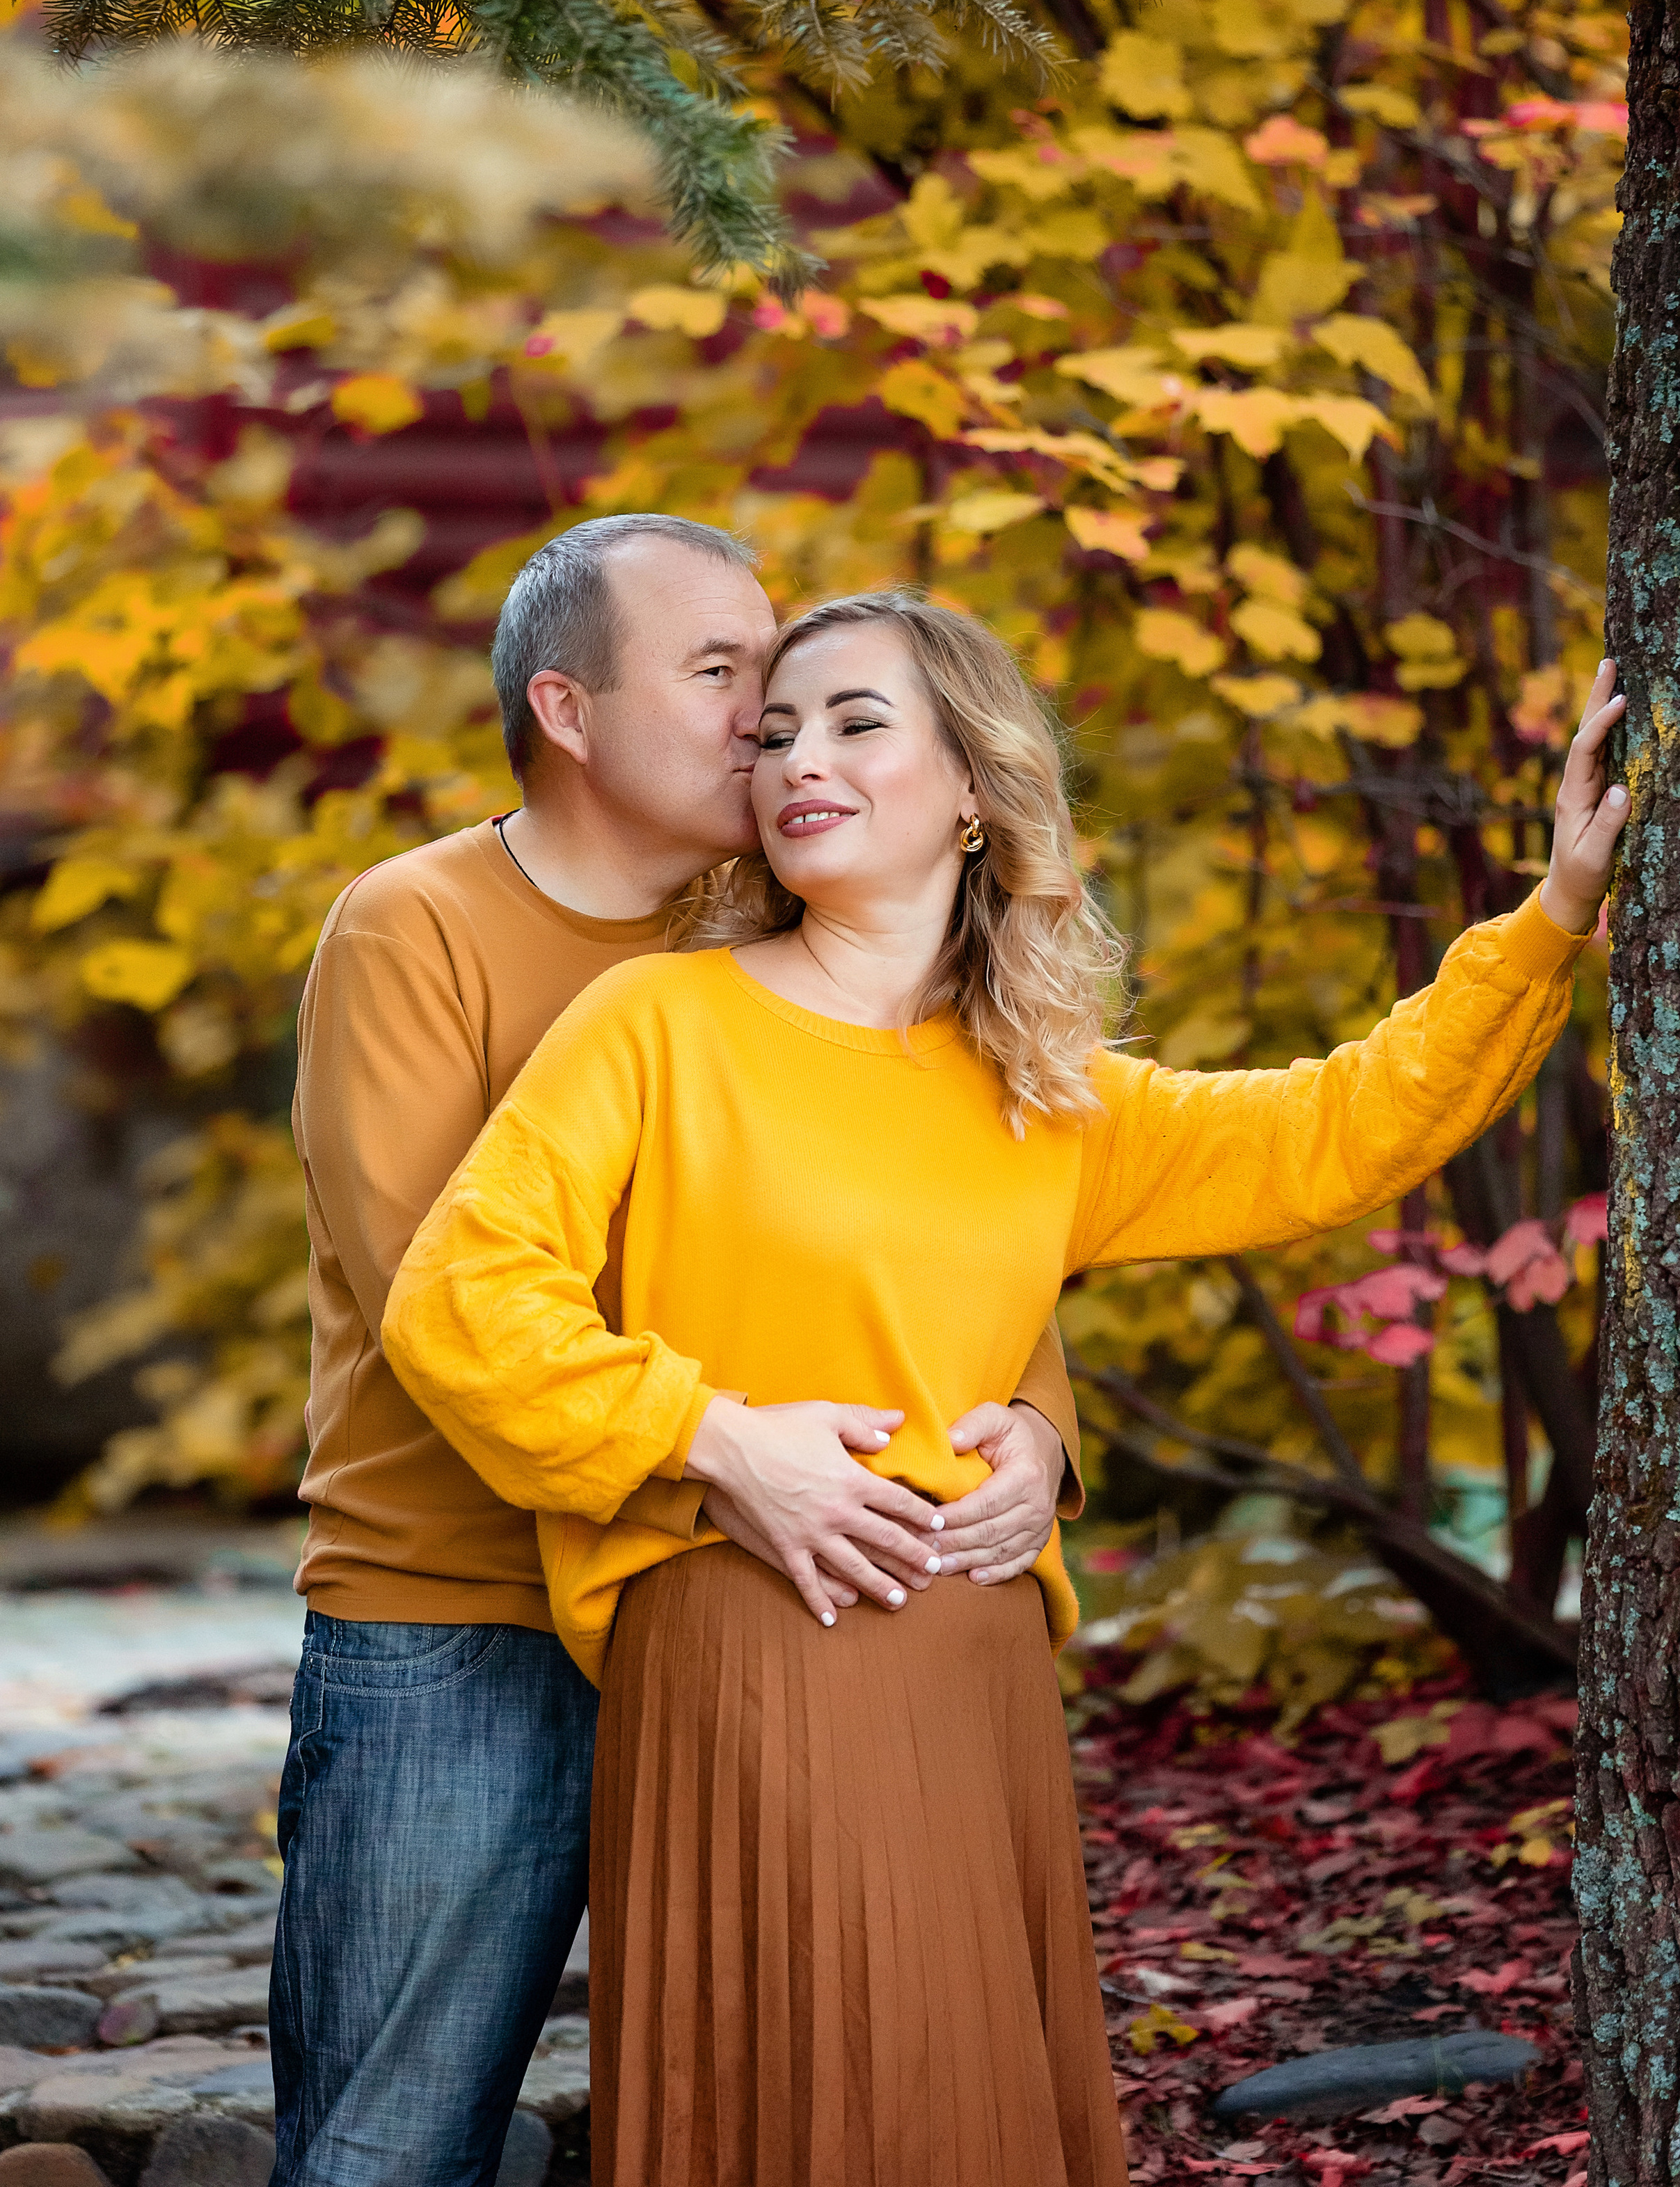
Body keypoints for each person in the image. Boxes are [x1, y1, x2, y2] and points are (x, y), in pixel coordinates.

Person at [383, 590, 1629, 2187]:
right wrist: (712, 1442)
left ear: (973, 787)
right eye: (772, 732)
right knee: (802, 2097)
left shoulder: (1043, 1091)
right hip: (755, 1637)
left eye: (853, 721)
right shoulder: (656, 1024)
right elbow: (463, 1295)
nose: (796, 759)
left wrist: (1551, 915)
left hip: (973, 1666)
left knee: (959, 2102)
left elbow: (1343, 1129)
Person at [271, 522, 1081, 2187]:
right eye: (721, 677)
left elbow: (954, 1210)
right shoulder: (412, 926)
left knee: (761, 2107)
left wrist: (1033, 1425)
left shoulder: (797, 922)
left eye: (774, 679)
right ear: (566, 710)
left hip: (749, 1612)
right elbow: (450, 1292)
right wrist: (719, 1439)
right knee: (386, 2149)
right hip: (463, 1621)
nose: (764, 718)